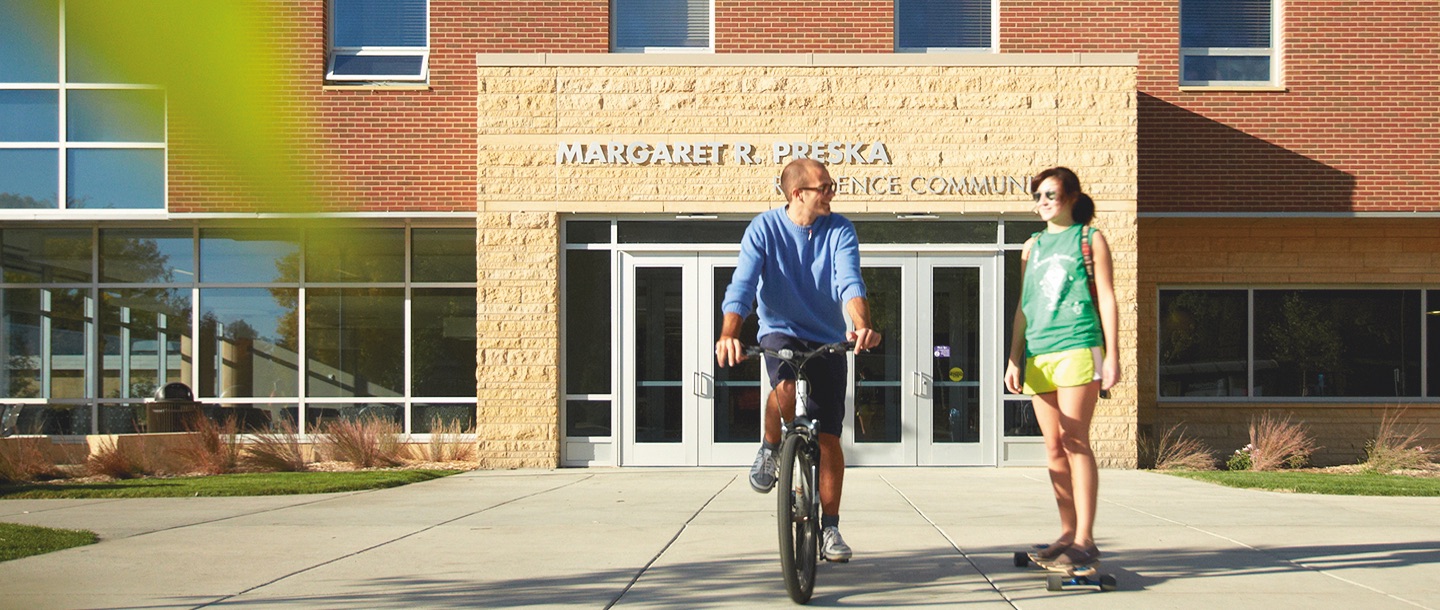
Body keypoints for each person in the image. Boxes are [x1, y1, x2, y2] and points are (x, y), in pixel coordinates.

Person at [716, 158, 882, 563]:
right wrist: (728, 333)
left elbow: (849, 279)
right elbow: (743, 283)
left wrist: (861, 325)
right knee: (784, 388)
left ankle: (831, 528)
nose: (832, 192)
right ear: (798, 194)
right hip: (781, 330)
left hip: (826, 336)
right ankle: (772, 446)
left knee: (828, 437)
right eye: (824, 187)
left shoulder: (840, 229)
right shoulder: (764, 229)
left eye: (831, 185)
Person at [1003, 166, 1119, 571]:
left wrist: (1113, 356)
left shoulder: (1090, 239)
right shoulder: (1030, 246)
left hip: (1079, 346)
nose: (1042, 203)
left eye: (1050, 195)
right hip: (1040, 353)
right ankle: (1067, 533)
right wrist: (1014, 357)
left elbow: (1106, 297)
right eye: (1037, 196)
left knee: (1075, 440)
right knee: (1053, 446)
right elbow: (1024, 305)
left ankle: (1086, 540)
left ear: (1071, 197)